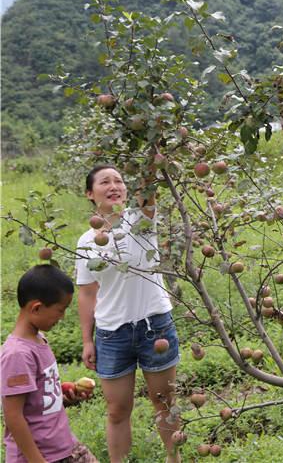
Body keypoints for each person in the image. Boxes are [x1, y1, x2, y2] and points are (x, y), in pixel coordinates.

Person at [75, 165, 181, 463]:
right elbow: (86, 293)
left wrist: (149, 148)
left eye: (119, 180)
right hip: (111, 333)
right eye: (105, 181)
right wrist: (87, 339)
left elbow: (149, 188)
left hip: (154, 325)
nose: (114, 186)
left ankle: (175, 459)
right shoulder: (86, 241)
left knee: (164, 403)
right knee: (117, 410)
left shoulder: (141, 220)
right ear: (89, 193)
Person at [1, 264, 98, 463]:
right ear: (36, 307)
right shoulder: (17, 354)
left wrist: (63, 397)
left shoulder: (39, 339)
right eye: (60, 311)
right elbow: (13, 416)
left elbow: (37, 401)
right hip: (41, 455)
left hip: (63, 445)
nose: (62, 318)